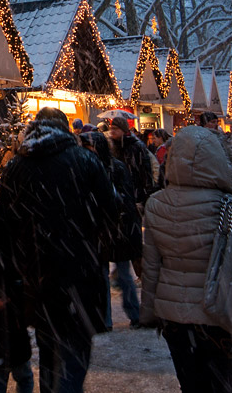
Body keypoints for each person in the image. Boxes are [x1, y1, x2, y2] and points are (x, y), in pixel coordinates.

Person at [140, 126, 232, 393]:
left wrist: (150, 312)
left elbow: (151, 267)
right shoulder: (229, 204)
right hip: (226, 315)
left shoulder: (156, 204)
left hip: (177, 321)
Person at [0, 107, 119, 393]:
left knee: (49, 349)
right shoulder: (85, 161)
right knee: (73, 356)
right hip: (79, 274)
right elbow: (111, 213)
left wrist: (0, 278)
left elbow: (1, 229)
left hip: (36, 277)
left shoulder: (17, 167)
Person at [81, 130, 143, 329]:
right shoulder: (89, 167)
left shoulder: (114, 167)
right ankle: (105, 318)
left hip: (116, 227)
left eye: (89, 147)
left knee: (123, 274)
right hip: (100, 228)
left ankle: (132, 314)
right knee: (104, 276)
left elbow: (125, 197)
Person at [106, 118, 157, 208]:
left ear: (123, 130)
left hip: (135, 193)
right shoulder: (112, 146)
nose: (112, 131)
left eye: (116, 128)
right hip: (121, 192)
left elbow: (145, 171)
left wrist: (146, 194)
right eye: (111, 128)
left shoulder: (136, 146)